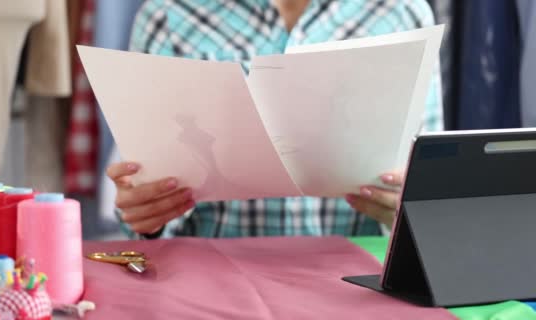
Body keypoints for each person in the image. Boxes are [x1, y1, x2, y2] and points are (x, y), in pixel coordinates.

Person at [107, 0, 443, 239]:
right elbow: (141, 203)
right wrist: (148, 214)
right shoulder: (169, 15)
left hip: (355, 291)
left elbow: (430, 190)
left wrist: (410, 211)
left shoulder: (402, 13)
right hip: (213, 289)